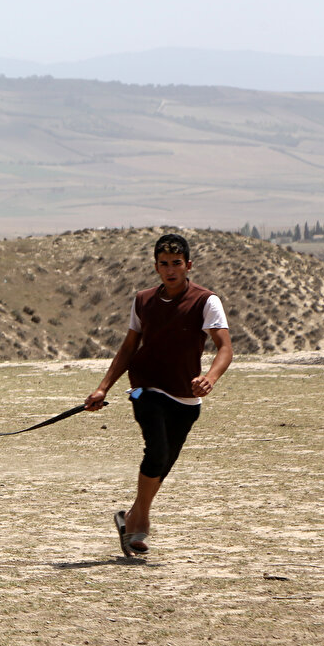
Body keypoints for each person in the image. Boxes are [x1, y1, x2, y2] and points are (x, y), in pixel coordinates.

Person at [84, 232, 233, 557]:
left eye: (176, 263)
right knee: (157, 450)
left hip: (186, 397)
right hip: (145, 388)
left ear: (188, 265)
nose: (170, 270)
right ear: (156, 267)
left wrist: (210, 378)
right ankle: (141, 522)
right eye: (164, 264)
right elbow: (129, 347)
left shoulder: (206, 301)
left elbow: (225, 347)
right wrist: (103, 387)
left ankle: (129, 518)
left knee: (163, 463)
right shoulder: (143, 300)